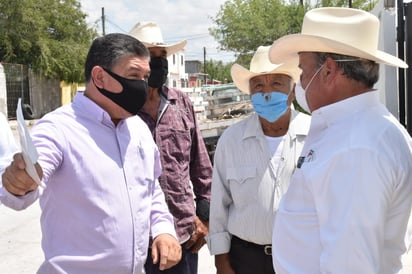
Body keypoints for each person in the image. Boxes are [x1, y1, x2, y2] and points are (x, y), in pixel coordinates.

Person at [0, 33, 182, 274]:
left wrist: (163, 229)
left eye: (145, 77)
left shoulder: (137, 128)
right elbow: (27, 178)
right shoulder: (58, 128)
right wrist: (19, 182)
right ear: (99, 77)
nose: (142, 85)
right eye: (133, 76)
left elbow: (150, 188)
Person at [269, 7, 412, 273]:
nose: (299, 81)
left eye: (303, 70)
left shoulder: (357, 146)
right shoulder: (357, 130)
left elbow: (350, 265)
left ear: (328, 70)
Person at [207, 45, 311, 274]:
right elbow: (219, 205)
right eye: (258, 85)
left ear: (292, 91)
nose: (266, 92)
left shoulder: (315, 134)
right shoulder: (232, 140)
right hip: (245, 260)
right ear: (250, 94)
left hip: (303, 257)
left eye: (276, 84)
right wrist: (221, 261)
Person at [129, 22, 213, 274]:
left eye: (161, 56)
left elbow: (201, 165)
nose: (158, 62)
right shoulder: (122, 109)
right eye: (149, 55)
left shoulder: (180, 102)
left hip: (185, 233)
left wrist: (205, 216)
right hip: (138, 239)